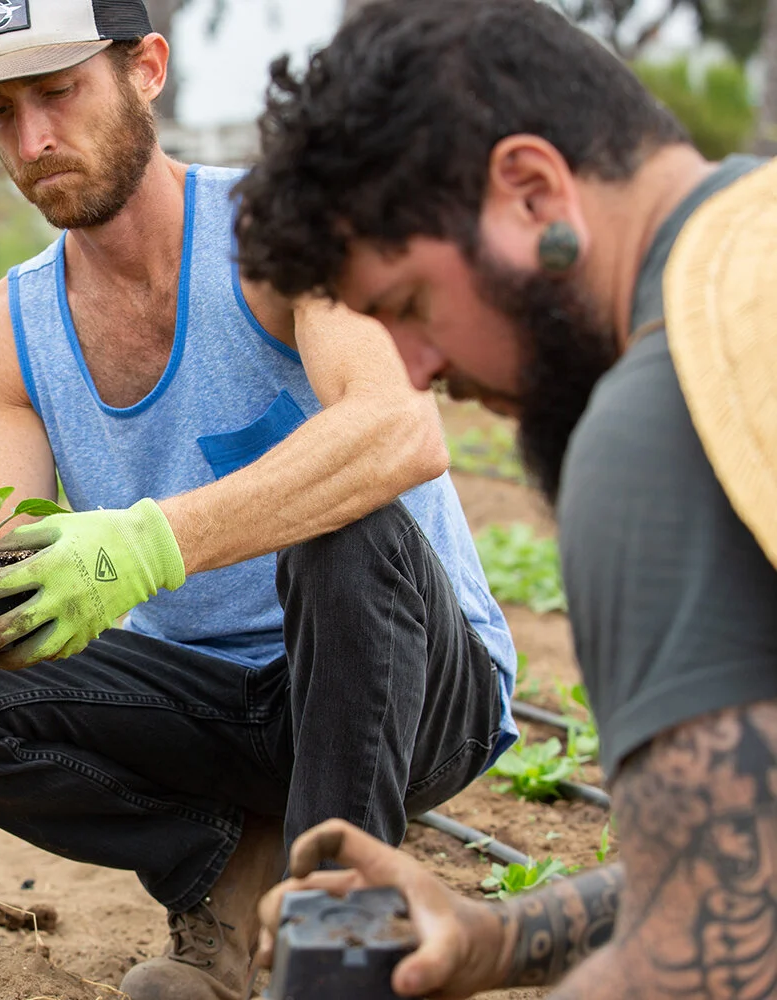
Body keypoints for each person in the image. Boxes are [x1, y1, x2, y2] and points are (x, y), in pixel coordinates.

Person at [0, 2, 519, 996]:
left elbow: (399, 430)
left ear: (147, 69)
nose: (34, 139)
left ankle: (335, 954)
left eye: (59, 92)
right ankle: (226, 872)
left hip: (409, 690)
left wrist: (144, 547)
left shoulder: (284, 230)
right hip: (211, 712)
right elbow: (12, 547)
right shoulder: (1, 330)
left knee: (347, 526)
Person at [232, 0, 777, 996]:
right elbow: (748, 865)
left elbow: (702, 957)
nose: (414, 366)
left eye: (408, 306)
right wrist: (498, 936)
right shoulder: (754, 262)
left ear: (532, 193)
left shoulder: (665, 415)